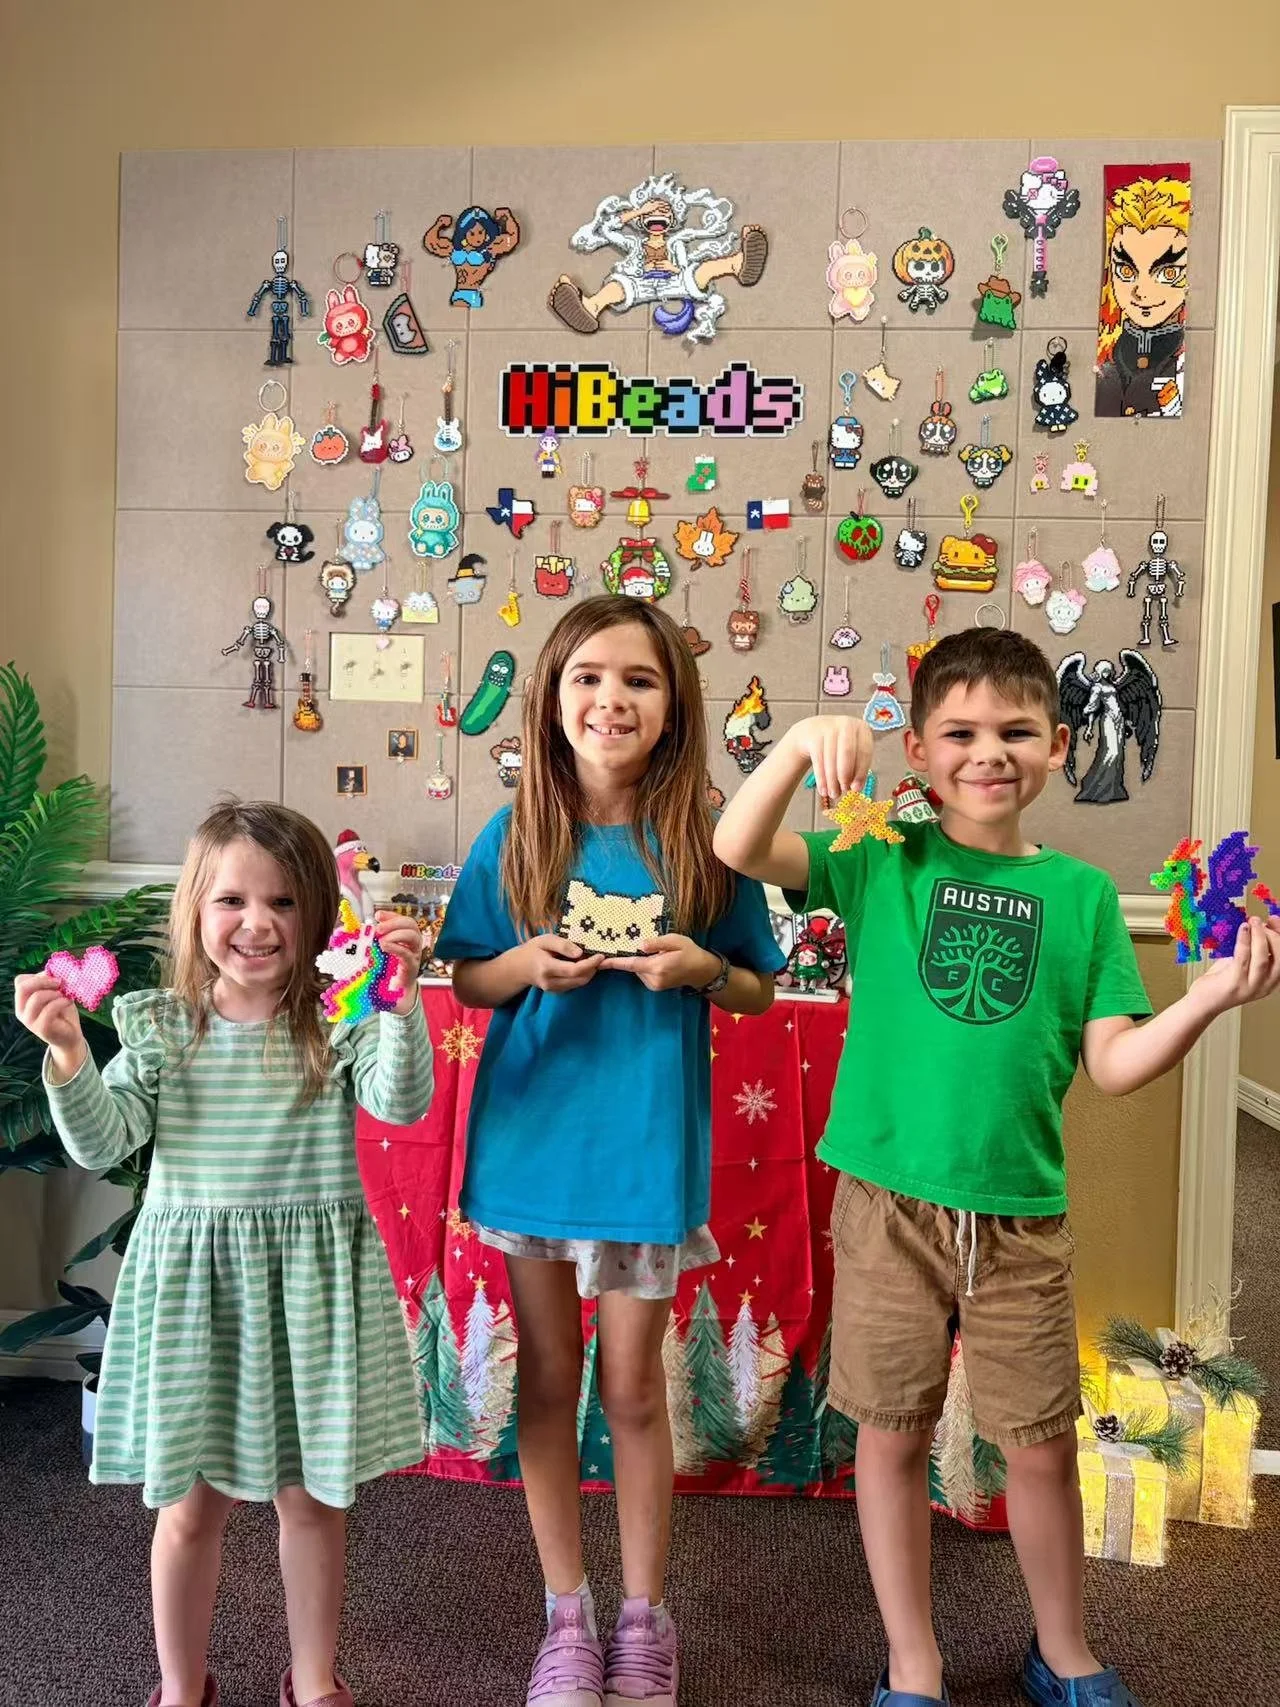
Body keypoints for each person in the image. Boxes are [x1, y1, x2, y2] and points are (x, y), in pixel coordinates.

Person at [712, 628, 1280, 1707]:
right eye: (959, 733)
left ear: (1060, 747)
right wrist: (793, 749)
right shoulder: (881, 856)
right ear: (918, 752)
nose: (988, 753)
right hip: (887, 1205)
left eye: (1016, 731)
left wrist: (1202, 1000)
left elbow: (1111, 1063)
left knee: (1037, 1448)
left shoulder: (1076, 897)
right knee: (889, 1436)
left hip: (1018, 1222)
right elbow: (739, 849)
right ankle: (911, 1661)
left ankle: (1061, 1648)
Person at [436, 596, 784, 1707]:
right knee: (548, 1381)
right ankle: (565, 1618)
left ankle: (642, 1615)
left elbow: (756, 982)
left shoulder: (709, 839)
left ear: (673, 705)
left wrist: (700, 973)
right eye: (587, 676)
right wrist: (523, 967)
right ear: (550, 697)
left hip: (642, 1155)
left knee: (632, 1391)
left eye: (637, 679)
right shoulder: (516, 833)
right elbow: (468, 976)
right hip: (533, 1145)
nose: (610, 699)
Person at [14, 801, 434, 1707]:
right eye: (232, 899)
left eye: (284, 901)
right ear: (195, 910)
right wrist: (66, 1056)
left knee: (313, 1499)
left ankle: (314, 1679)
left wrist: (398, 996)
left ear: (321, 913)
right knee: (188, 1507)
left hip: (309, 1300)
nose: (257, 922)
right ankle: (180, 1687)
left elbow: (402, 1104)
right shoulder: (164, 1024)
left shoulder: (341, 1021)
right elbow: (102, 1139)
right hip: (195, 1298)